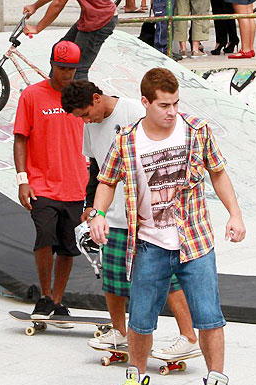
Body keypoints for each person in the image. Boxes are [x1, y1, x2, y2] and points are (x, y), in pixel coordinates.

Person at [89, 68, 246, 385]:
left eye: (175, 103)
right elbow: (106, 181)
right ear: (145, 102)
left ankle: (215, 384)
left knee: (209, 317)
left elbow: (218, 172)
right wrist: (98, 215)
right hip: (148, 244)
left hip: (195, 243)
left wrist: (235, 214)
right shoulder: (127, 140)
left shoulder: (196, 131)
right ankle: (134, 378)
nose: (172, 111)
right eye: (163, 105)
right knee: (141, 317)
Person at [61, 80, 201, 358]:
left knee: (167, 277)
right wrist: (91, 206)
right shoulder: (89, 124)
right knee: (111, 276)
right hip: (111, 215)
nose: (87, 121)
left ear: (97, 98)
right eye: (82, 118)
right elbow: (97, 169)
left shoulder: (134, 112)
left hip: (147, 215)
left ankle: (188, 336)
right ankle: (119, 333)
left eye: (87, 114)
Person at [13, 41, 88, 321]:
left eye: (71, 69)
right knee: (45, 237)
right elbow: (20, 138)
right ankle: (44, 297)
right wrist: (23, 180)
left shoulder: (82, 98)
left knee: (68, 246)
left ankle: (58, 300)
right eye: (61, 68)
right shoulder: (32, 96)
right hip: (41, 183)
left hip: (75, 184)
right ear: (51, 64)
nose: (66, 74)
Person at [22, 0, 117, 81]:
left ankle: (83, 101)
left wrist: (37, 28)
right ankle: (54, 91)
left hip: (100, 20)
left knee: (78, 68)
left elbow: (58, 4)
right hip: (91, 17)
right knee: (60, 50)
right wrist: (35, 6)